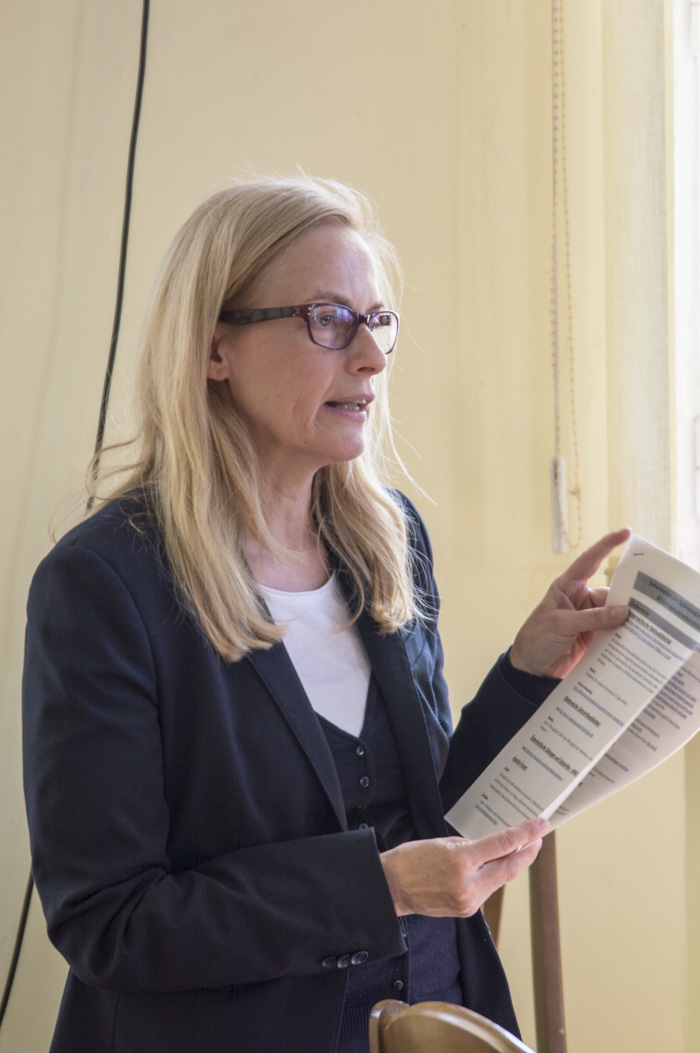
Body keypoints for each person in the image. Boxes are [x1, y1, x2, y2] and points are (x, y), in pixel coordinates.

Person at [22, 175, 630, 1053]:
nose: (372, 356)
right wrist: (379, 889)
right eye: (327, 319)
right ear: (215, 349)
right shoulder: (104, 584)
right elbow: (111, 922)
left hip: (432, 1021)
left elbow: (431, 816)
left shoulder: (388, 540)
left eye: (376, 320)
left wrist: (527, 672)